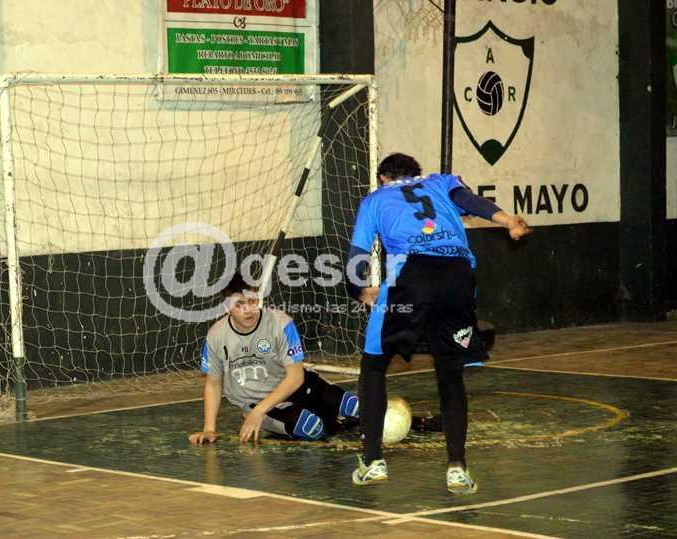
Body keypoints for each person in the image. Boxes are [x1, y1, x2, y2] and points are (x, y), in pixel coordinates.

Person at [346, 153, 531, 492]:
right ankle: (457, 468)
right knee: (450, 372)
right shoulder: (441, 182)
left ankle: (372, 461)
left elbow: (357, 255)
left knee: (373, 365)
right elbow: (470, 202)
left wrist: (359, 290)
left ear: (384, 178)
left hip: (411, 275)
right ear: (417, 173)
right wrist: (508, 221)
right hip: (457, 276)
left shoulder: (375, 199)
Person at [189, 273, 360, 445]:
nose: (248, 309)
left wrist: (258, 413)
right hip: (259, 402)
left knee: (356, 407)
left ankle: (330, 414)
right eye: (239, 304)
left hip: (295, 387)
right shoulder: (216, 336)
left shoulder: (281, 323)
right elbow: (213, 384)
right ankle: (325, 417)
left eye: (252, 301)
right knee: (312, 428)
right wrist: (209, 429)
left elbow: (296, 377)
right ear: (227, 307)